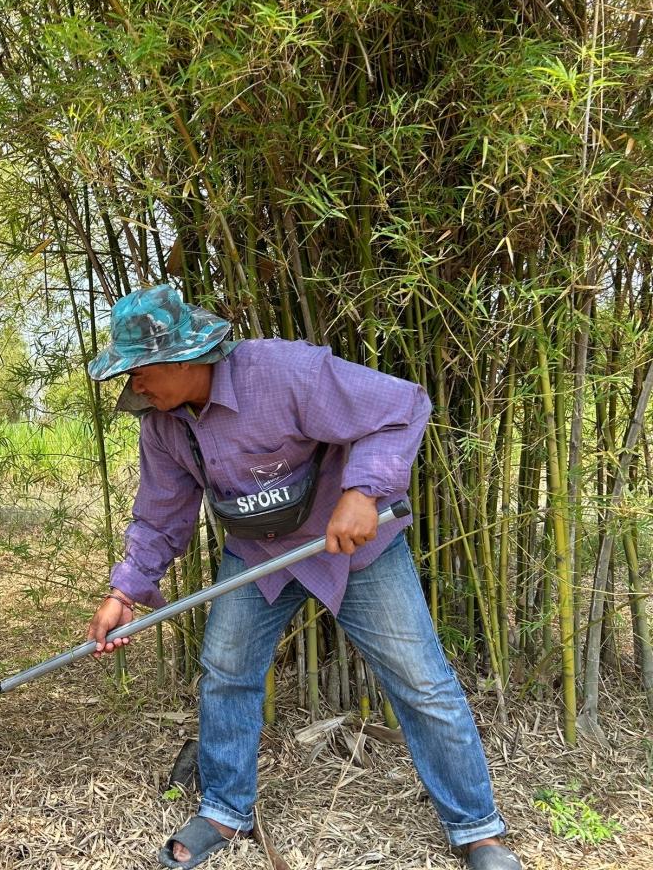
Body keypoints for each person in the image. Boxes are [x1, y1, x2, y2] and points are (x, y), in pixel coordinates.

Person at [84, 284, 520, 870]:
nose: (133, 386)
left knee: (421, 681)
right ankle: (223, 809)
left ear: (186, 357)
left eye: (139, 371)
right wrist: (124, 593)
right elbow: (161, 513)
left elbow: (401, 406)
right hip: (257, 554)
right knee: (226, 673)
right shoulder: (163, 424)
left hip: (349, 548)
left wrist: (365, 491)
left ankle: (478, 830)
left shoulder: (285, 372)